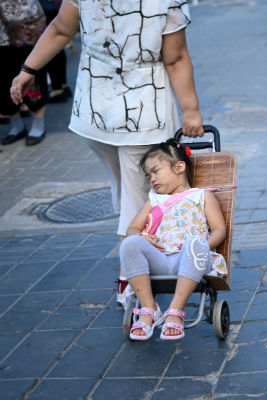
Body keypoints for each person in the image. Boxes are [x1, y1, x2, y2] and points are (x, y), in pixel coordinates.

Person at [10, 0, 206, 304]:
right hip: (143, 110)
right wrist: (191, 109)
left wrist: (27, 71)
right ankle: (132, 279)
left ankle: (140, 261)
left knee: (131, 191)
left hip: (94, 110)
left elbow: (61, 29)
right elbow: (176, 57)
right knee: (136, 196)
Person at [120, 139, 227, 340]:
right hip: (158, 259)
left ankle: (175, 310)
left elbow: (219, 229)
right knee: (129, 243)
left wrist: (204, 245)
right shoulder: (154, 200)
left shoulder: (201, 196)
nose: (152, 179)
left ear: (179, 167)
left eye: (156, 171)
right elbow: (132, 228)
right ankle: (149, 308)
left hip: (191, 260)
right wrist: (142, 235)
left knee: (194, 243)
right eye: (148, 175)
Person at [1, 0, 48, 146]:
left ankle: (38, 124)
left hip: (25, 20)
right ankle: (16, 125)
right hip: (1, 32)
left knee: (32, 75)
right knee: (3, 79)